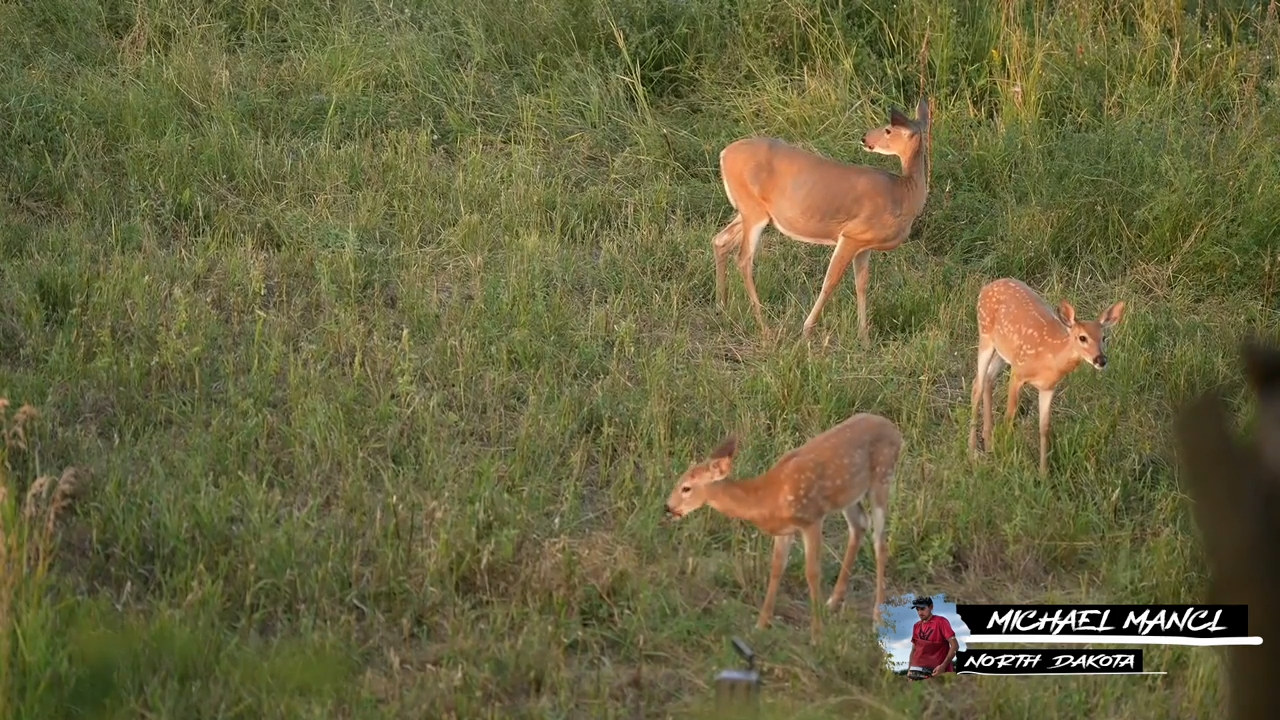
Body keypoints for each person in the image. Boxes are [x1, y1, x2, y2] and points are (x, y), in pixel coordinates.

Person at [906, 595, 958, 680]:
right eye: (917, 609)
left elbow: (955, 646)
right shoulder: (916, 626)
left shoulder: (941, 622)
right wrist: (909, 671)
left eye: (922, 609)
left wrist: (943, 666)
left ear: (931, 607)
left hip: (937, 673)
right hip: (917, 673)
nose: (920, 613)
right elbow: (914, 650)